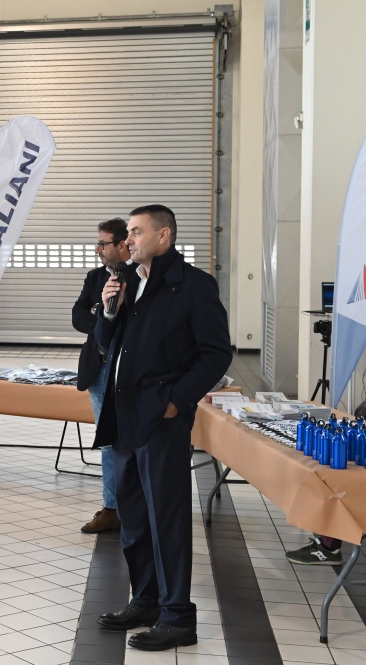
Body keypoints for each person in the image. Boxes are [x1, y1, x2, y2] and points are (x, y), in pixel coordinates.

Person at [94, 205, 232, 651]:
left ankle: (178, 616)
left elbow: (215, 354)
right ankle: (147, 599)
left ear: (164, 236)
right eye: (128, 234)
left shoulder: (193, 287)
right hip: (124, 415)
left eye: (136, 232)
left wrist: (177, 400)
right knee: (133, 516)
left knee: (166, 517)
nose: (128, 240)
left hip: (161, 418)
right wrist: (109, 311)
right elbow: (104, 343)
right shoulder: (129, 283)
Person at [72, 217, 131, 534]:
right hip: (98, 368)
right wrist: (100, 317)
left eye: (103, 244)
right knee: (107, 442)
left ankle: (132, 506)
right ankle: (111, 509)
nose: (97, 249)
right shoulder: (95, 277)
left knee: (129, 441)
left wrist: (101, 315)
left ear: (122, 245)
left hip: (128, 371)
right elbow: (77, 315)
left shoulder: (139, 278)